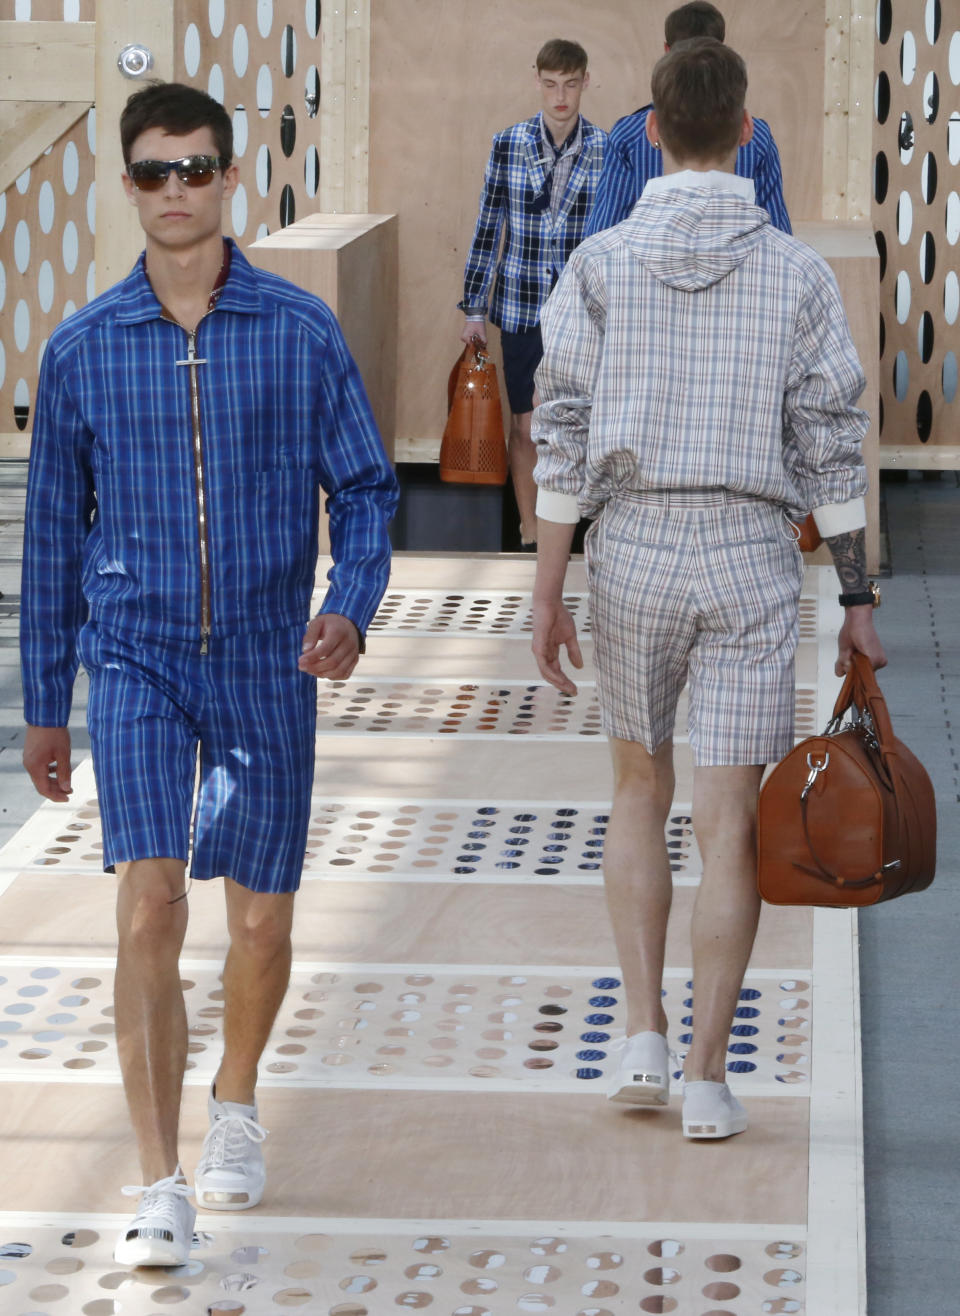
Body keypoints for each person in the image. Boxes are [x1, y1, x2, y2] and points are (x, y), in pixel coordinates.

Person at [20, 81, 398, 1263]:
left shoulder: (299, 330)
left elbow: (370, 489)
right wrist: (45, 706)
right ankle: (158, 1178)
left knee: (263, 920)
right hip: (132, 656)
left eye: (195, 168)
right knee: (148, 900)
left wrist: (349, 605)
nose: (175, 190)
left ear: (233, 177)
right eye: (153, 172)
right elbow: (49, 540)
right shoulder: (83, 348)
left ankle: (236, 1095)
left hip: (264, 656)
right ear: (127, 186)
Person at [531, 38, 885, 1140]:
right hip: (747, 549)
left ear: (648, 134)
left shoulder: (598, 264)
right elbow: (833, 447)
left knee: (638, 791)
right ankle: (706, 1077)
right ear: (745, 132)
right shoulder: (796, 274)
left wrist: (549, 587)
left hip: (631, 543)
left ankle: (638, 1033)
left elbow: (561, 433)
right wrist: (861, 596)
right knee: (726, 820)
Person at [459, 39, 606, 550]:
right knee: (525, 425)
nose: (560, 96)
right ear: (537, 80)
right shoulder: (509, 144)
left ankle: (575, 534)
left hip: (585, 313)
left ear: (586, 81)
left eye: (570, 84)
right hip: (521, 304)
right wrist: (474, 308)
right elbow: (488, 228)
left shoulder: (607, 149)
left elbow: (615, 235)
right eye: (550, 84)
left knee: (579, 423)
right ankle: (529, 532)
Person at [585, 1, 790, 236]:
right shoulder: (759, 136)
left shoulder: (629, 133)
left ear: (666, 52)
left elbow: (602, 233)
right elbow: (778, 232)